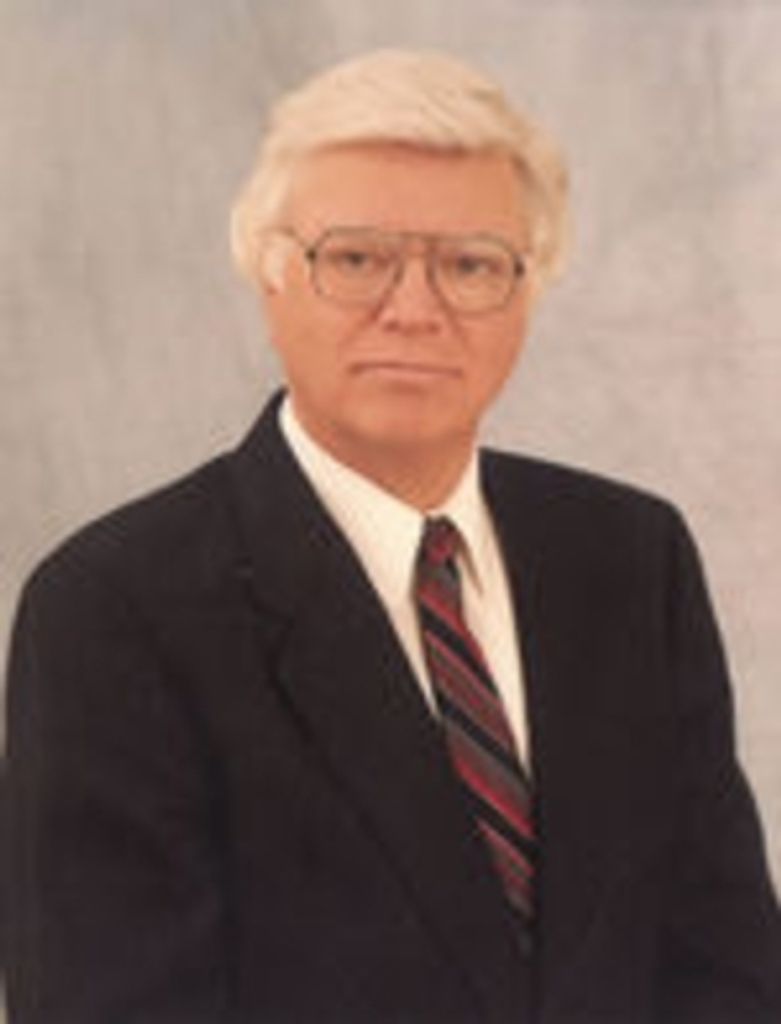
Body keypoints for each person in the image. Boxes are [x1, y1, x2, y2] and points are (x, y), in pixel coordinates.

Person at [5, 48, 781, 1024]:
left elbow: (730, 970)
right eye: (357, 259)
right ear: (269, 275)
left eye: (470, 264)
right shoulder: (115, 610)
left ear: (529, 290)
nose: (413, 310)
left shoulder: (630, 560)